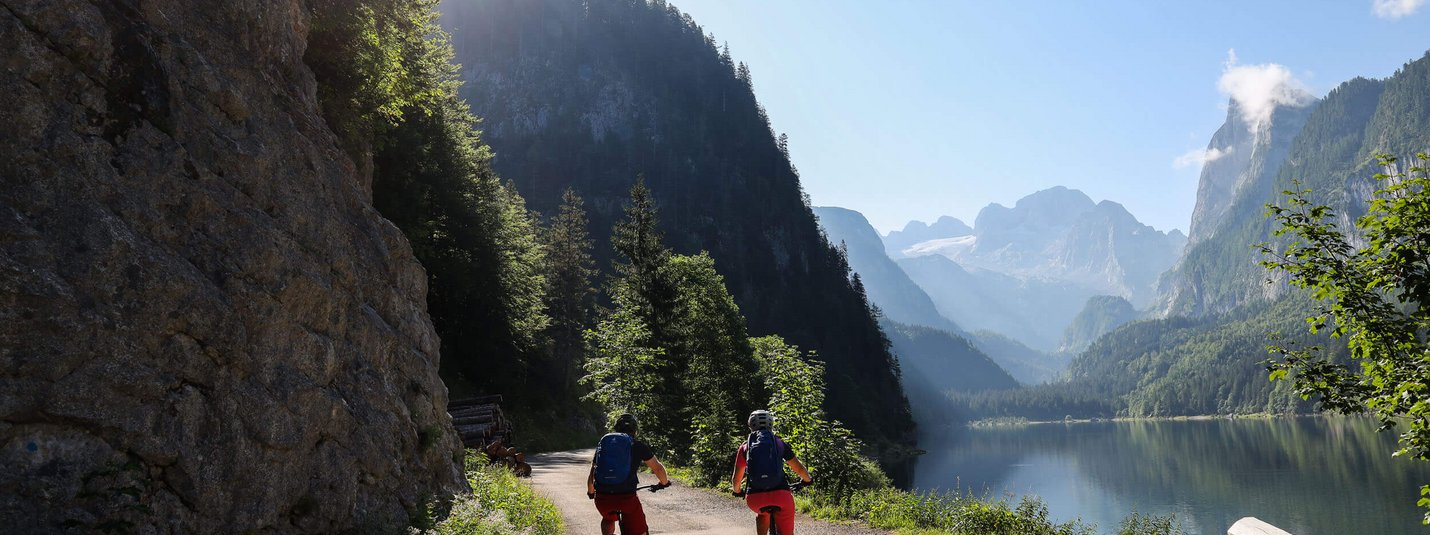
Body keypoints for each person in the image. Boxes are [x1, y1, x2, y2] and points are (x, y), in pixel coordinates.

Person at [730, 409, 813, 534]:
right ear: (771, 424)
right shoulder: (779, 443)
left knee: (762, 514)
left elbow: (736, 479)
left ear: (751, 425)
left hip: (755, 498)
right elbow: (798, 468)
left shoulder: (745, 447)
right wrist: (807, 480)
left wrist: (737, 491)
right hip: (781, 496)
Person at [588, 413, 670, 535]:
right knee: (639, 530)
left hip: (602, 499)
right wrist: (664, 483)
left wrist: (591, 492)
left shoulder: (605, 445)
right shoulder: (638, 446)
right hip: (627, 499)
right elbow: (657, 469)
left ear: (616, 428)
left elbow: (593, 472)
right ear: (635, 431)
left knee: (607, 518)